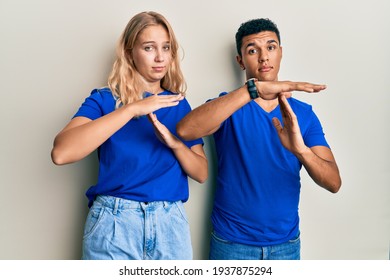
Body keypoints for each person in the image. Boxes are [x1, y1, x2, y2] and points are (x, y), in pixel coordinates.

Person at [176, 18, 341, 260]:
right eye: (253, 50)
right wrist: (252, 90)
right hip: (231, 244)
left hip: (286, 245)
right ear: (240, 61)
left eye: (271, 47)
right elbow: (185, 130)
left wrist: (301, 151)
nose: (264, 57)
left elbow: (334, 183)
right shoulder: (227, 105)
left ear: (280, 53)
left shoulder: (303, 114)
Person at [51, 11, 208, 260]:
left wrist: (174, 143)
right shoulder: (104, 100)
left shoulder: (177, 104)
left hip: (169, 226)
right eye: (149, 47)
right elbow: (61, 153)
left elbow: (201, 172)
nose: (160, 57)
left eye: (166, 48)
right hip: (114, 223)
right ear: (129, 51)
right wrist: (132, 108)